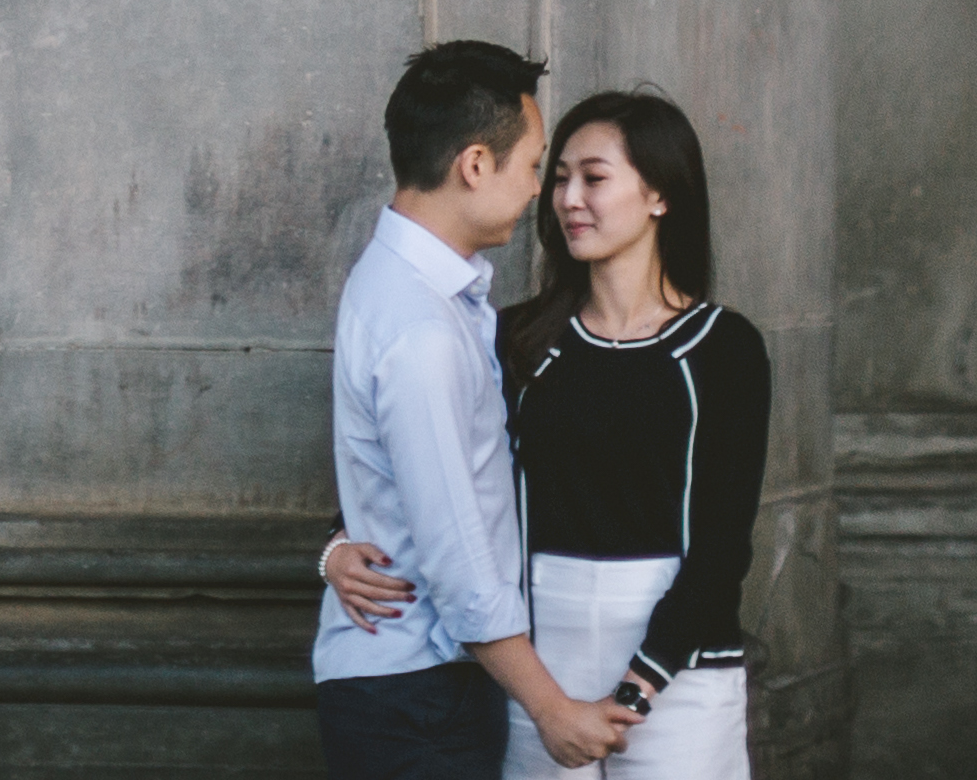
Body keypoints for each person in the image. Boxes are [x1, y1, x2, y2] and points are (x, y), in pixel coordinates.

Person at [324, 88, 770, 778]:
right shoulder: (517, 338)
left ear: (660, 195)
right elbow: (411, 468)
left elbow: (722, 541)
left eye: (593, 178)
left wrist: (640, 685)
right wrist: (334, 546)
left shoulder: (722, 348)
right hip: (535, 668)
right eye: (557, 175)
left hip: (681, 675)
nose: (564, 198)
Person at [315, 39, 636, 777]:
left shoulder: (409, 290)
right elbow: (456, 551)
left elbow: (394, 480)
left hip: (408, 688)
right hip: (418, 696)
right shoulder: (421, 327)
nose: (540, 194)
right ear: (475, 165)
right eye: (533, 167)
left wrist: (332, 546)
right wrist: (551, 710)